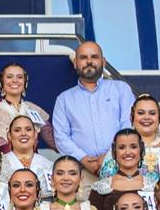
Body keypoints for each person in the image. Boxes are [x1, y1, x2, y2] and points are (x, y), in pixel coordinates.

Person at [52, 40, 135, 177]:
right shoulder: (64, 99)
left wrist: (109, 156)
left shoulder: (121, 89)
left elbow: (128, 126)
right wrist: (84, 159)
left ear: (104, 62)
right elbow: (61, 137)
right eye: (83, 57)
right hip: (83, 173)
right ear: (75, 63)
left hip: (121, 169)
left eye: (94, 57)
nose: (89, 61)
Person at [0, 63, 52, 151]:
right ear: (2, 82)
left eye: (19, 77)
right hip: (5, 163)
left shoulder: (34, 109)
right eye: (9, 77)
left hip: (34, 163)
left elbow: (54, 142)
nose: (15, 80)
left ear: (25, 82)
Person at [0, 114, 54, 188]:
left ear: (35, 135)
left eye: (28, 129)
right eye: (17, 130)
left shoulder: (48, 165)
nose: (23, 133)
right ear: (9, 136)